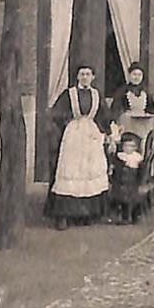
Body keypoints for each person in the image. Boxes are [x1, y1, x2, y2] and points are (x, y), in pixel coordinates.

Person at [44, 64, 114, 230]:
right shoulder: (70, 94)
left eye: (88, 74)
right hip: (74, 135)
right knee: (72, 170)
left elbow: (104, 115)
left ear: (93, 77)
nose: (84, 77)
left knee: (90, 170)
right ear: (77, 77)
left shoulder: (96, 95)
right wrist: (68, 120)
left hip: (91, 134)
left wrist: (108, 132)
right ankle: (64, 216)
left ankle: (87, 213)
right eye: (82, 74)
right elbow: (56, 113)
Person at [111, 62, 154, 140]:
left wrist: (148, 114)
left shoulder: (146, 92)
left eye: (139, 75)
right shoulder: (122, 91)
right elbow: (115, 109)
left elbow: (152, 109)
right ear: (129, 75)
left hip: (143, 126)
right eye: (134, 74)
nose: (137, 77)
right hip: (127, 125)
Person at [108, 131, 144, 224]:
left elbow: (141, 172)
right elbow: (116, 169)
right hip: (120, 181)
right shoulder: (120, 156)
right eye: (126, 146)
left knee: (133, 198)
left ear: (136, 147)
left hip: (132, 181)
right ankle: (121, 216)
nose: (128, 148)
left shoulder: (137, 158)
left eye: (132, 146)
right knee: (120, 198)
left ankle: (134, 215)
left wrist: (140, 182)